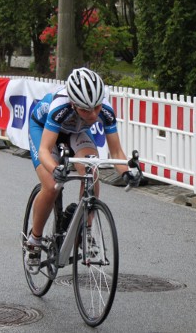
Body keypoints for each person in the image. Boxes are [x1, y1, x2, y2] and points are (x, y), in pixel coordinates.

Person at [23, 67, 140, 274]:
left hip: (77, 132)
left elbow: (116, 151)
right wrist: (54, 168)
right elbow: (44, 150)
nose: (94, 114)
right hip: (44, 130)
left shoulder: (104, 111)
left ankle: (85, 230)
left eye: (96, 107)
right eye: (86, 110)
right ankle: (34, 241)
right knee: (50, 186)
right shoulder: (60, 106)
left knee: (91, 170)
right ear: (73, 103)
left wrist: (126, 173)